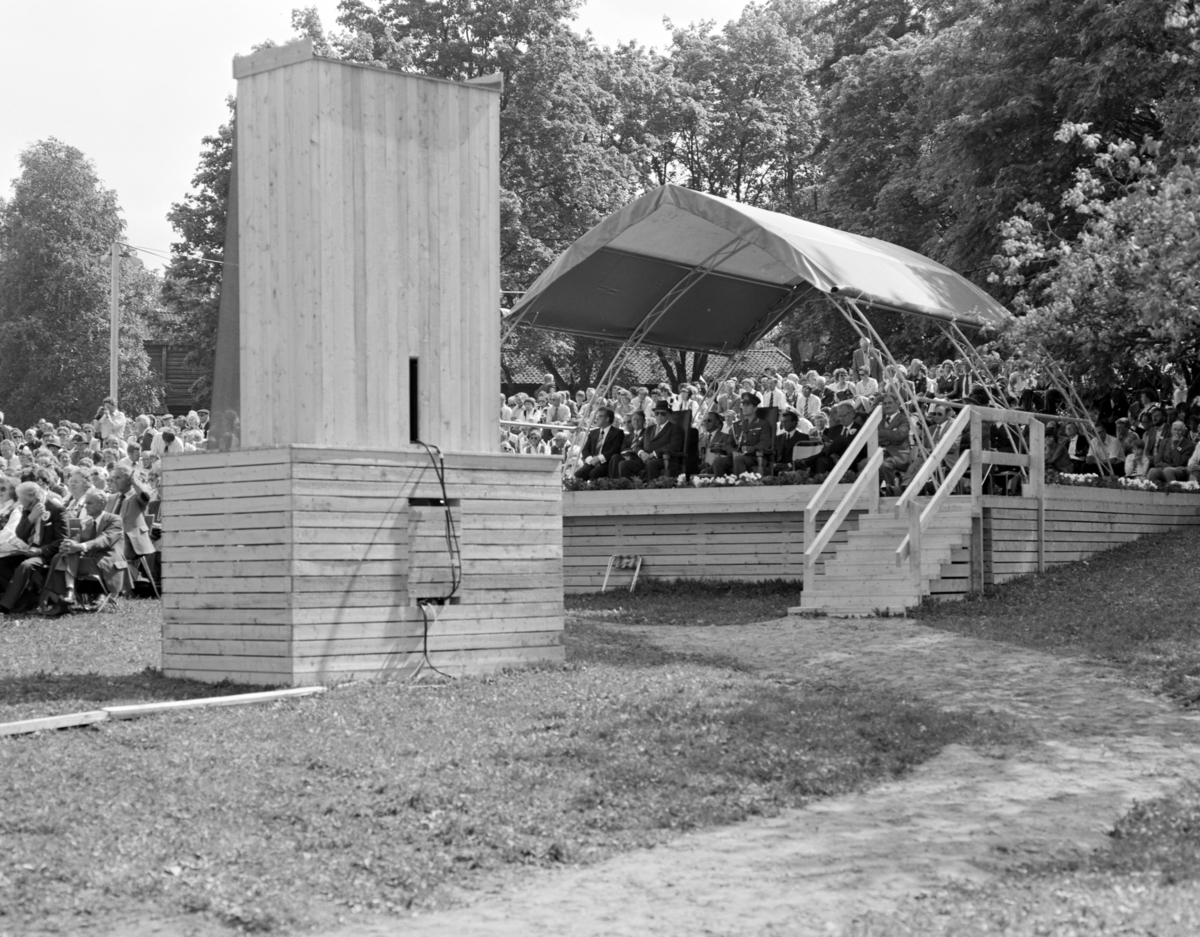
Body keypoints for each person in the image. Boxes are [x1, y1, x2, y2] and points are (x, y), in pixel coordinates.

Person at [38, 489, 128, 616]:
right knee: (61, 556)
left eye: (89, 503)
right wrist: (68, 545)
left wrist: (79, 546)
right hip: (89, 562)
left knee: (62, 559)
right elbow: (76, 539)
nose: (85, 506)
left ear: (102, 504)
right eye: (85, 503)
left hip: (107, 564)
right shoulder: (86, 522)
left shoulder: (114, 520)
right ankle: (67, 594)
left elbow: (105, 540)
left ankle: (60, 598)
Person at [0, 481, 67, 613]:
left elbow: (63, 539)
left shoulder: (56, 509)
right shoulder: (29, 507)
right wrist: (31, 517)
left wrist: (40, 550)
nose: (27, 508)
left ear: (36, 497)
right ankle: (25, 599)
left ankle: (5, 605)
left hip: (47, 553)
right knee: (1, 562)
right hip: (29, 549)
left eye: (29, 505)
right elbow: (20, 533)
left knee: (26, 566)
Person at [620, 401, 684, 480]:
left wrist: (653, 454)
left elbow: (674, 446)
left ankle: (651, 488)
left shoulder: (674, 429)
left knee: (651, 464)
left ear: (668, 415)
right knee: (624, 464)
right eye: (657, 413)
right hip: (645, 459)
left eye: (662, 413)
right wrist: (642, 453)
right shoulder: (650, 429)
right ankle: (627, 488)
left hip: (665, 459)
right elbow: (637, 446)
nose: (659, 415)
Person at [574, 407, 623, 481]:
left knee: (594, 473)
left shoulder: (617, 433)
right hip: (592, 462)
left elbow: (615, 450)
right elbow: (585, 449)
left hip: (606, 463)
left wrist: (599, 459)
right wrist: (591, 460)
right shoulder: (593, 433)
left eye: (599, 416)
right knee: (579, 474)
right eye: (596, 417)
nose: (596, 419)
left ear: (607, 419)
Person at [877, 392, 912, 496]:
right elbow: (877, 438)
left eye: (890, 403)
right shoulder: (880, 420)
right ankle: (876, 493)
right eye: (885, 403)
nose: (887, 405)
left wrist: (882, 432)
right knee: (863, 464)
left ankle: (893, 492)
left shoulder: (904, 419)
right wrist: (891, 435)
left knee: (884, 465)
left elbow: (899, 436)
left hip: (898, 455)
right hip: (880, 453)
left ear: (897, 404)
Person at [731, 394, 773, 474]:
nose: (744, 407)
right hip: (738, 455)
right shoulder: (737, 425)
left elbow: (765, 443)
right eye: (743, 405)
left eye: (748, 405)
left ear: (755, 408)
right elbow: (728, 443)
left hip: (755, 456)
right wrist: (733, 452)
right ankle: (720, 484)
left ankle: (740, 485)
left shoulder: (763, 424)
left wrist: (750, 449)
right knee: (719, 461)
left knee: (738, 459)